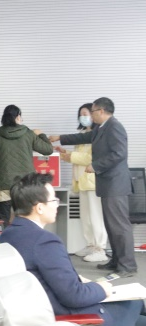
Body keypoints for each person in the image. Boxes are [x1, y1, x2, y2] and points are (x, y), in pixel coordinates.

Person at [0, 173, 146, 326]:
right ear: (39, 208)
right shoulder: (44, 242)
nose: (57, 204)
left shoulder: (9, 234)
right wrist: (101, 288)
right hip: (71, 322)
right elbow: (74, 296)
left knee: (139, 316)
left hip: (37, 314)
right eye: (54, 200)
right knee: (136, 303)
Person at [50, 97, 136, 278]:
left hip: (115, 185)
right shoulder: (101, 128)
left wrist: (96, 166)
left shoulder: (114, 127)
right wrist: (60, 138)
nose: (91, 115)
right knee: (111, 225)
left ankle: (128, 265)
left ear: (101, 111)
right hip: (107, 184)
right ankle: (116, 260)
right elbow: (84, 137)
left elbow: (119, 153)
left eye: (93, 111)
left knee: (119, 226)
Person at [55, 103, 108, 263]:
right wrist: (66, 154)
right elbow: (78, 157)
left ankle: (100, 248)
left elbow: (93, 158)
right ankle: (91, 245)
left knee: (96, 216)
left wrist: (71, 157)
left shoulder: (98, 135)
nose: (83, 117)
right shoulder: (83, 134)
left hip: (93, 182)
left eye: (86, 114)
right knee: (86, 217)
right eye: (81, 114)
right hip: (81, 181)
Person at [0, 104, 53, 225]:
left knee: (2, 221)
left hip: (3, 185)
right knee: (26, 219)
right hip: (25, 185)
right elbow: (48, 149)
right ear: (17, 117)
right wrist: (40, 134)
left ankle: (4, 237)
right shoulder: (28, 134)